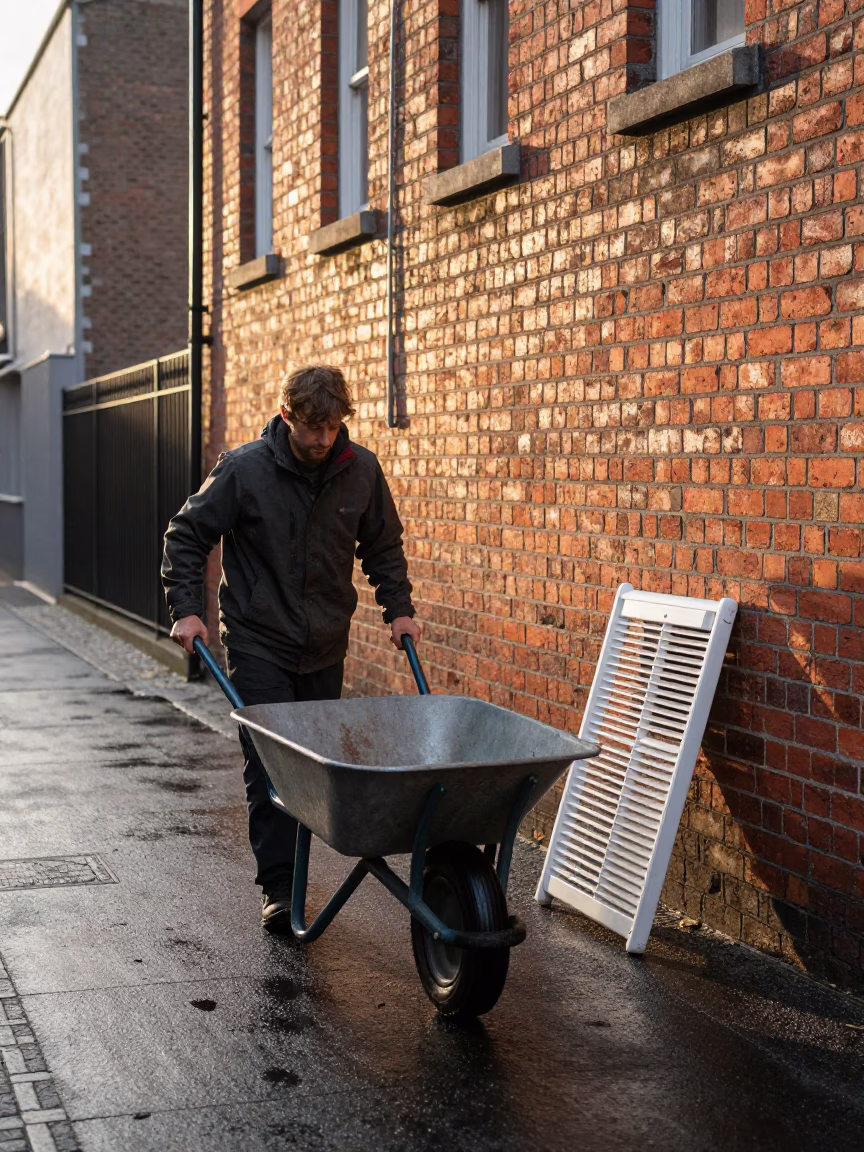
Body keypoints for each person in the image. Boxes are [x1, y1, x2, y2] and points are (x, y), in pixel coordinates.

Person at [161, 365, 421, 932]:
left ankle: (300, 868)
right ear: (287, 417)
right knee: (271, 764)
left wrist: (398, 608)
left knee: (312, 765)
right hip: (258, 639)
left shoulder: (361, 471)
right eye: (311, 428)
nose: (322, 440)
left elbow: (383, 547)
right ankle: (278, 886)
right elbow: (187, 535)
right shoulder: (244, 470)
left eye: (332, 427)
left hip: (326, 642)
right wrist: (186, 609)